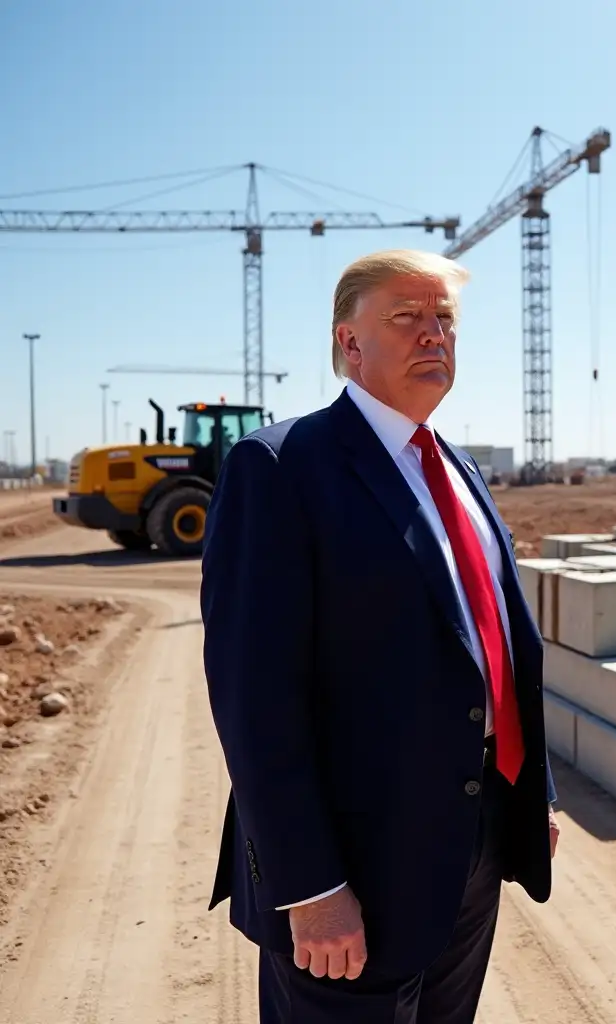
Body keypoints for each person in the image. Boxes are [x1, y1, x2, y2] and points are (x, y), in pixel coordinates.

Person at [200, 248, 560, 1024]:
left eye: (446, 320)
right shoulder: (282, 466)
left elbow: (496, 649)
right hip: (351, 871)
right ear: (350, 342)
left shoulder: (460, 470)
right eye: (407, 317)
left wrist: (535, 796)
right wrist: (310, 886)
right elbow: (253, 696)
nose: (434, 335)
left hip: (473, 844)